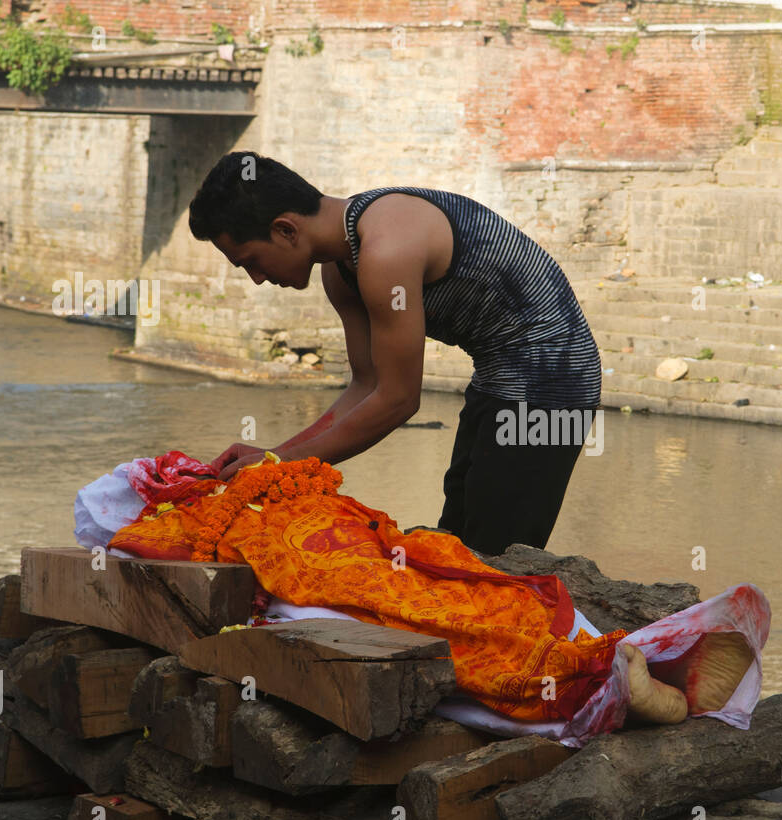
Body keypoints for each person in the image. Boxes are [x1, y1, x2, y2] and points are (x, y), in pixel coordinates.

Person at [186, 152, 602, 556]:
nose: (257, 279)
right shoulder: (340, 266)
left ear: (286, 230)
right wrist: (273, 457)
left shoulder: (385, 251)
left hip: (553, 383)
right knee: (458, 538)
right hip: (496, 376)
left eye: (250, 262)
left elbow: (399, 399)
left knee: (494, 554)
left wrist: (284, 466)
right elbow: (367, 386)